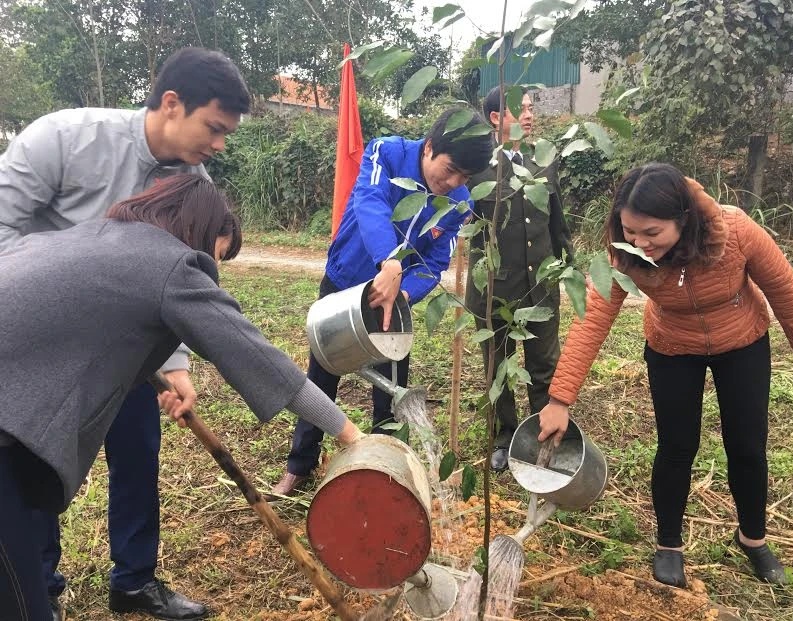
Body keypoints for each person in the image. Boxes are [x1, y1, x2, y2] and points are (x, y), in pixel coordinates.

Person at [0, 174, 365, 621]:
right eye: (218, 255)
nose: (213, 270)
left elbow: (86, 330)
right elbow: (265, 363)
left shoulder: (95, 236)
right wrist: (351, 434)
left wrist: (163, 369)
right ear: (204, 231)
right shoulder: (173, 264)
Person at [0, 47, 249, 620]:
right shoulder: (64, 138)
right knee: (33, 463)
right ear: (170, 103)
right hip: (42, 353)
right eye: (213, 128)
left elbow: (182, 280)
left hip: (127, 351)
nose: (218, 145)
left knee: (139, 455)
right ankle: (38, 584)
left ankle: (134, 580)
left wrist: (177, 361)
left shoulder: (192, 182)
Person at [537, 163, 793, 587]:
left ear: (683, 220)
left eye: (652, 233)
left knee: (747, 445)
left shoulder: (735, 230)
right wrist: (559, 400)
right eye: (631, 231)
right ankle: (669, 544)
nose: (640, 242)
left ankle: (753, 538)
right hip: (672, 345)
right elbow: (593, 318)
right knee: (675, 446)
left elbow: (781, 283)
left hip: (742, 339)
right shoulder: (626, 253)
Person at [272, 107, 495, 496]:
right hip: (344, 284)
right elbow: (369, 202)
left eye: (465, 177)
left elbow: (435, 262)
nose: (455, 181)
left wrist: (404, 292)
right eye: (451, 168)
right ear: (429, 148)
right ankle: (300, 464)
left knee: (392, 391)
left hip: (396, 303)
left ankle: (383, 473)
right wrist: (388, 263)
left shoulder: (458, 202)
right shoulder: (386, 154)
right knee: (322, 376)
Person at [466, 85, 574, 472]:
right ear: (496, 119)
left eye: (530, 108)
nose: (528, 115)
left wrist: (569, 264)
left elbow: (557, 220)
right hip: (495, 289)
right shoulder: (477, 167)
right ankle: (504, 436)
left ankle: (545, 435)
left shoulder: (544, 159)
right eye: (520, 110)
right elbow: (460, 222)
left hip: (539, 287)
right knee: (499, 368)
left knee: (545, 365)